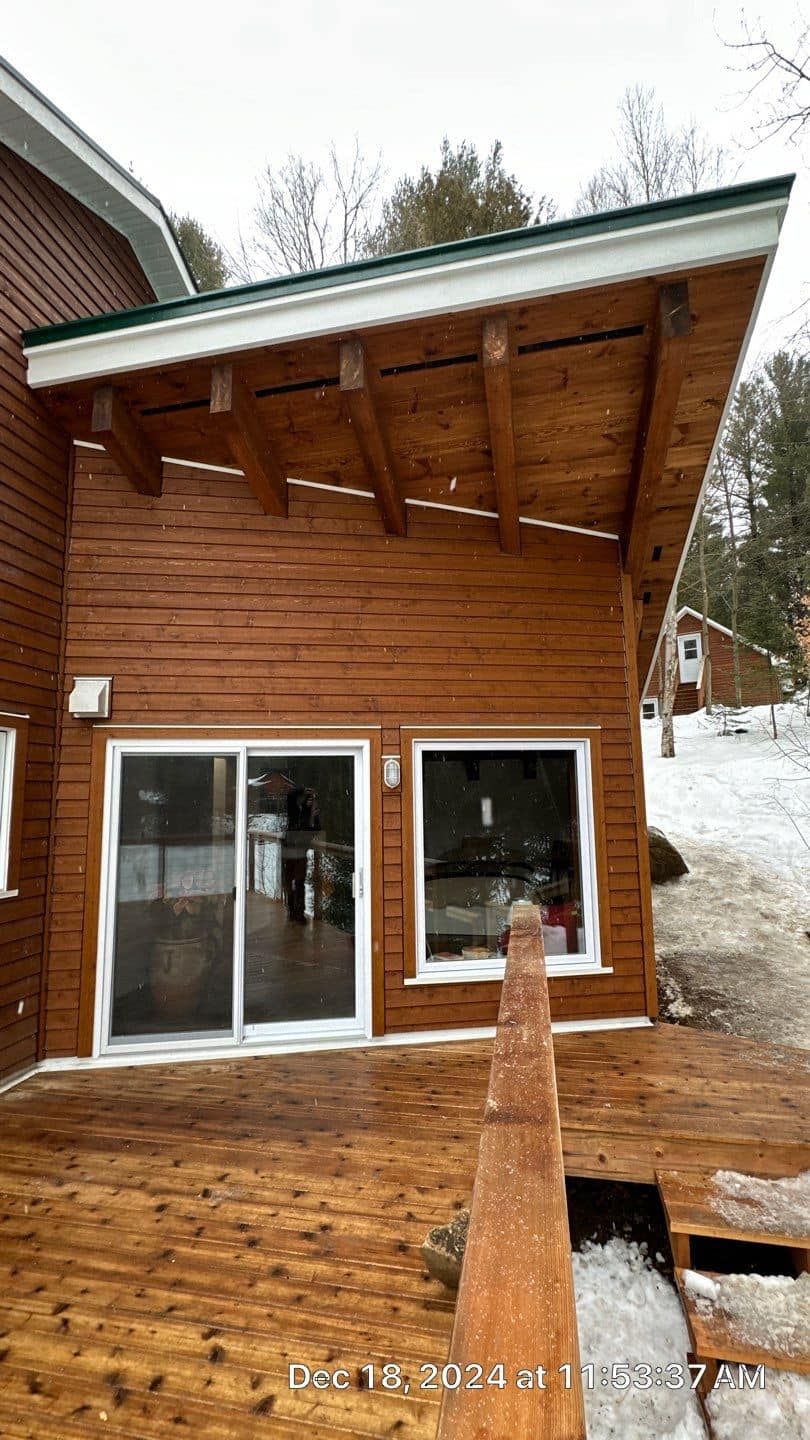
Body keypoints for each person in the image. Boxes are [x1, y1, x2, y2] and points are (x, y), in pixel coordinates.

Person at [282, 786, 321, 924]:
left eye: (312, 800)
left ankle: (299, 914)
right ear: (304, 799)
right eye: (308, 799)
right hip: (288, 851)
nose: (310, 802)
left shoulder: (311, 815)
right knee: (288, 882)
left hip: (301, 853)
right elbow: (290, 795)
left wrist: (315, 818)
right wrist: (304, 790)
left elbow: (316, 831)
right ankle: (291, 910)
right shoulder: (295, 811)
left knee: (299, 883)